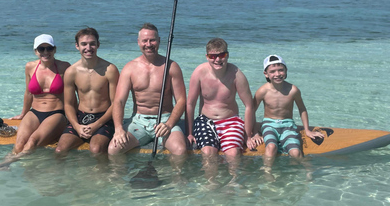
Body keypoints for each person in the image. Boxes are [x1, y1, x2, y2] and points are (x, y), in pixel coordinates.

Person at [0, 34, 70, 171]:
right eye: (41, 49)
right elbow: (28, 93)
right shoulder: (30, 67)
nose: (45, 52)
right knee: (19, 144)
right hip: (35, 112)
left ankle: (4, 164)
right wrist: (23, 113)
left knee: (32, 141)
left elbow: (73, 94)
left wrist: (76, 117)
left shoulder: (64, 67)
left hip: (57, 113)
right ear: (36, 51)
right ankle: (7, 164)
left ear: (54, 49)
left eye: (49, 48)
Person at [186, 38, 262, 180]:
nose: (217, 60)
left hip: (231, 121)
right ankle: (211, 181)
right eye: (212, 56)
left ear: (227, 55)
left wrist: (248, 135)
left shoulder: (236, 74)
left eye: (221, 55)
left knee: (233, 153)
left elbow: (249, 105)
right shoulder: (199, 72)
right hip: (205, 120)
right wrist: (190, 133)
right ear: (207, 57)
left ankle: (233, 183)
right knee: (208, 152)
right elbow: (190, 104)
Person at [108, 23, 188, 156]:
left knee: (180, 151)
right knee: (113, 150)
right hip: (139, 121)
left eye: (152, 40)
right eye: (145, 40)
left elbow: (181, 101)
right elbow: (119, 101)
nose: (149, 44)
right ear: (139, 42)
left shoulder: (171, 66)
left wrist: (169, 124)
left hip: (165, 120)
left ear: (159, 41)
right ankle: (120, 177)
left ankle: (175, 176)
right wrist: (118, 129)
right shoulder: (130, 68)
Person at [55, 27, 119, 155]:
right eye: (84, 44)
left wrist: (96, 125)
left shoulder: (110, 70)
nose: (88, 48)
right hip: (80, 118)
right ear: (77, 46)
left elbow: (116, 103)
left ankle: (102, 174)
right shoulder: (71, 72)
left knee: (96, 150)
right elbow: (68, 104)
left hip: (104, 118)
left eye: (92, 44)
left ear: (98, 45)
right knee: (60, 150)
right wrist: (76, 126)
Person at [254, 54, 324, 169]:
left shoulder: (293, 90)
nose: (277, 74)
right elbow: (251, 111)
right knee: (271, 147)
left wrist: (307, 130)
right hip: (269, 124)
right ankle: (267, 172)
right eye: (272, 71)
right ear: (266, 74)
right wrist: (255, 133)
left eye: (281, 70)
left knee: (295, 153)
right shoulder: (262, 91)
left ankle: (305, 171)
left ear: (286, 71)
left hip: (288, 125)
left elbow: (302, 109)